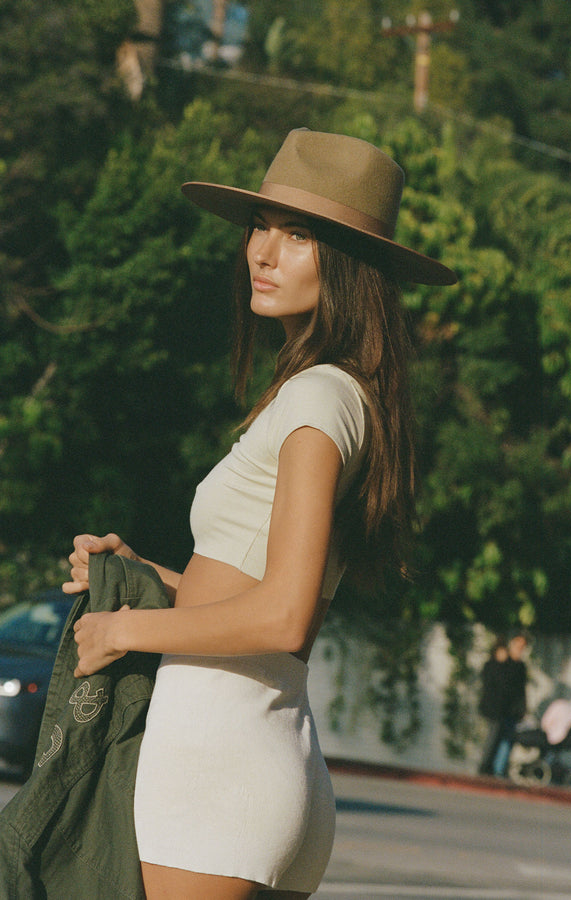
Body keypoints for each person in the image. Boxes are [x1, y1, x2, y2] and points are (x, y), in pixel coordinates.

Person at [63, 128, 457, 900]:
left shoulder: (316, 400)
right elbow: (262, 593)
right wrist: (146, 578)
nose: (263, 252)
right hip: (268, 762)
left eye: (299, 235)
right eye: (260, 227)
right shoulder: (335, 393)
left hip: (217, 761)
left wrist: (122, 629)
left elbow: (284, 617)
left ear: (348, 265)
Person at [493, 633, 529, 777]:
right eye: (517, 645)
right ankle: (492, 768)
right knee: (494, 739)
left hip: (513, 711)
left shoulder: (520, 666)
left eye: (522, 647)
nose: (519, 649)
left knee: (508, 740)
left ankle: (499, 770)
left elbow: (521, 691)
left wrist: (522, 708)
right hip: (499, 709)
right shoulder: (503, 662)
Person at [477, 637, 509, 776]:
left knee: (495, 738)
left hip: (499, 710)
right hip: (492, 709)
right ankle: (485, 765)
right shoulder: (492, 667)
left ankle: (489, 764)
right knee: (492, 737)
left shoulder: (503, 668)